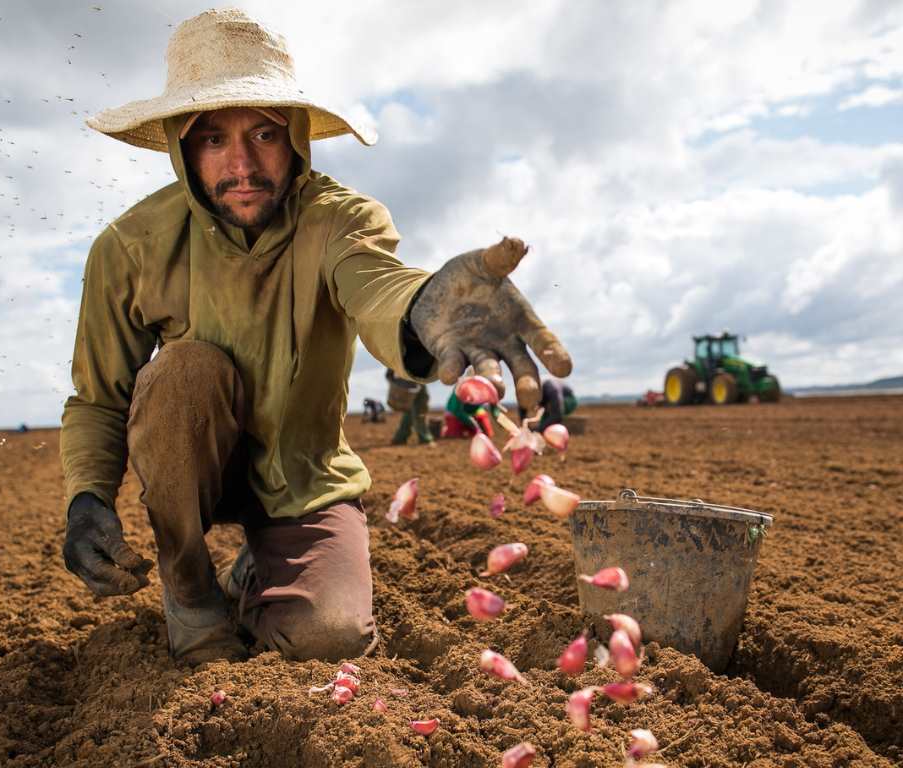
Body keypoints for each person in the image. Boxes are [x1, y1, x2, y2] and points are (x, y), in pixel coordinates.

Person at [60, 9, 570, 666]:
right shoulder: (132, 247)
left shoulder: (339, 221)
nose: (242, 164)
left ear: (296, 137)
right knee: (182, 372)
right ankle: (190, 590)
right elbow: (99, 395)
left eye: (265, 133)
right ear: (183, 148)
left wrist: (424, 307)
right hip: (195, 466)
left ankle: (260, 568)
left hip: (301, 473)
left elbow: (379, 286)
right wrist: (86, 496)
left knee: (329, 639)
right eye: (213, 139)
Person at [385, 369, 433, 445]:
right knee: (419, 407)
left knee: (410, 409)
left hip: (414, 378)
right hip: (411, 379)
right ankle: (424, 438)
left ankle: (400, 437)